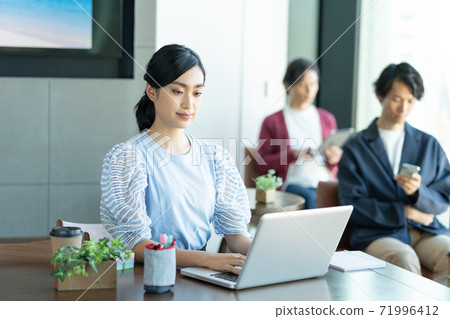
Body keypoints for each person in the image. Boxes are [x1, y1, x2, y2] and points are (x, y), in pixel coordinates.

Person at [100, 44, 252, 275]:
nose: (189, 104)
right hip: (149, 277)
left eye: (197, 93)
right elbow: (136, 244)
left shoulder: (215, 157)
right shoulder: (128, 157)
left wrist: (267, 253)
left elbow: (236, 234)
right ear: (152, 91)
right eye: (177, 91)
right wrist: (206, 259)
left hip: (201, 276)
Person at [338, 62, 450, 277]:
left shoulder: (429, 144)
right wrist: (404, 213)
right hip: (378, 233)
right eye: (397, 99)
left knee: (448, 254)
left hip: (424, 231)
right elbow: (352, 204)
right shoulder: (355, 147)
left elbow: (444, 195)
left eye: (410, 100)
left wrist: (418, 193)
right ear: (381, 96)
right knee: (403, 257)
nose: (403, 108)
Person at [257, 58, 342, 209]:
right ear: (288, 86)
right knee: (311, 198)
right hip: (293, 184)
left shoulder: (327, 118)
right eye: (303, 85)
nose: (310, 91)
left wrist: (334, 159)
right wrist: (293, 155)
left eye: (314, 84)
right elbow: (262, 163)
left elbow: (335, 167)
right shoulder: (272, 121)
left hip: (325, 182)